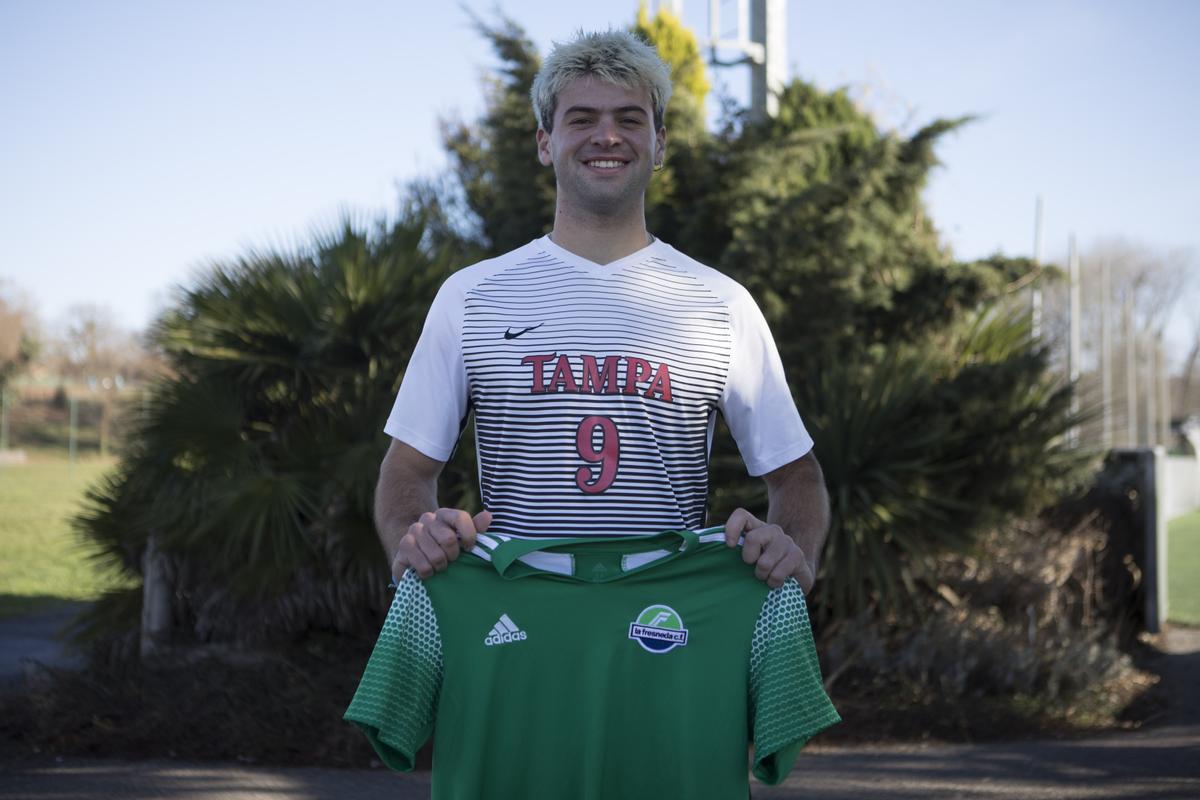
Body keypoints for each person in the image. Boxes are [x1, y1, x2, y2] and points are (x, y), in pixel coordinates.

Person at [374, 29, 829, 594]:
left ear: (660, 144)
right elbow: (407, 471)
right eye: (582, 118)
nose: (607, 136)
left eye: (630, 120)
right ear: (545, 142)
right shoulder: (471, 297)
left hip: (670, 620)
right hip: (514, 615)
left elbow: (796, 475)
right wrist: (412, 536)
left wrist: (793, 552)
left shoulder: (722, 304)